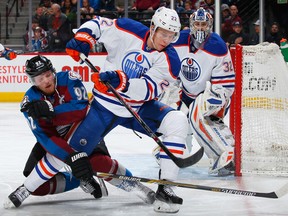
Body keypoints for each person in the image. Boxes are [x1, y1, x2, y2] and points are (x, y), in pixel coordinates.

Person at [65, 7, 185, 213]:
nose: (166, 39)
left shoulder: (171, 60)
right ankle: (98, 179)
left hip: (138, 108)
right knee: (73, 154)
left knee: (178, 121)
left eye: (171, 35)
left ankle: (167, 187)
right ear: (153, 27)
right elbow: (99, 24)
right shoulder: (128, 29)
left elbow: (148, 89)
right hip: (105, 105)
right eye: (163, 33)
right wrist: (84, 38)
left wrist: (122, 81)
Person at [4, 55, 156, 209]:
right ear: (32, 82)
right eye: (39, 79)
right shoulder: (30, 102)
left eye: (48, 75)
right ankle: (80, 179)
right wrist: (70, 157)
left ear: (53, 72)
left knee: (97, 162)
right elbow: (45, 136)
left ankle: (135, 186)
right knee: (37, 185)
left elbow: (81, 109)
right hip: (57, 141)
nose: (46, 81)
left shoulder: (68, 78)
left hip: (86, 130)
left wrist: (51, 112)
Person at [153, 7, 236, 176]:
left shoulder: (218, 46)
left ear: (210, 25)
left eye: (203, 24)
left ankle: (225, 153)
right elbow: (169, 65)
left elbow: (225, 84)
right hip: (186, 94)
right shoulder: (179, 40)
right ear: (191, 25)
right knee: (173, 117)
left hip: (213, 93)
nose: (200, 28)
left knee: (198, 114)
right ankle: (177, 150)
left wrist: (216, 101)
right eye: (197, 24)